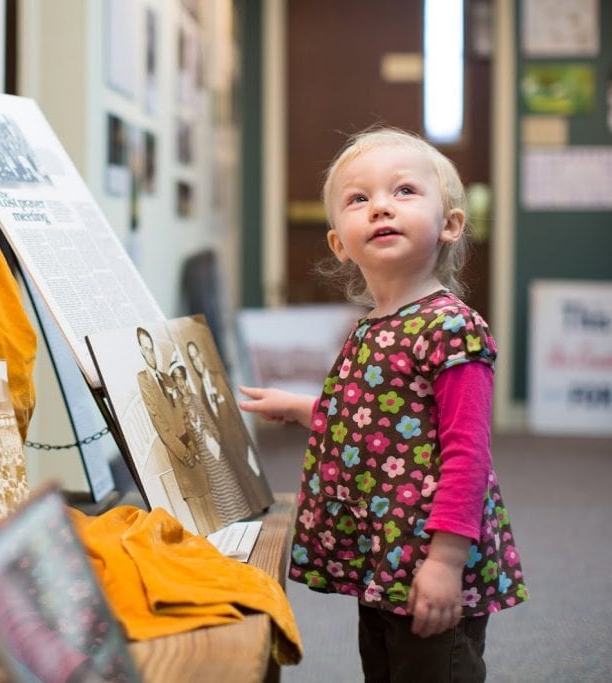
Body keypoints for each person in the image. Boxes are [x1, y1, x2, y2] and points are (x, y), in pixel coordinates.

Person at [239, 127, 528, 681]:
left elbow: (468, 455)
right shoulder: (370, 326)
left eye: (403, 192)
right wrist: (305, 408)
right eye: (359, 199)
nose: (380, 208)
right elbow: (380, 421)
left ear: (449, 225)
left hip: (429, 554)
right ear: (339, 243)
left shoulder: (451, 327)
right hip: (382, 553)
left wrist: (445, 563)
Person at [134, 327, 214, 534]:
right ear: (141, 352)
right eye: (146, 350)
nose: (150, 354)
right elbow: (159, 421)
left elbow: (184, 413)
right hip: (178, 453)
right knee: (197, 509)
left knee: (210, 502)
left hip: (192, 446)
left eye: (152, 349)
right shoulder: (143, 379)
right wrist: (183, 451)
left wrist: (192, 445)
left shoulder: (167, 378)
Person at [186, 337, 272, 512]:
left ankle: (260, 503)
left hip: (237, 438)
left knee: (251, 475)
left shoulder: (218, 378)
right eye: (192, 359)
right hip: (225, 444)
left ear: (202, 358)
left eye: (197, 356)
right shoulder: (201, 389)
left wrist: (243, 439)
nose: (197, 362)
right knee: (240, 480)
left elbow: (232, 412)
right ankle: (251, 505)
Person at [169, 355, 248, 528]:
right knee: (217, 490)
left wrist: (211, 434)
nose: (180, 381)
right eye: (176, 378)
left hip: (213, 449)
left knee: (228, 483)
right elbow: (182, 434)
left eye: (182, 377)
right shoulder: (177, 407)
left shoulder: (196, 399)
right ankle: (228, 522)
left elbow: (210, 422)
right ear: (174, 382)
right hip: (201, 456)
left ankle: (240, 517)